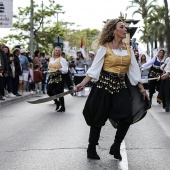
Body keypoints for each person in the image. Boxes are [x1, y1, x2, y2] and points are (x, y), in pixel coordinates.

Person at [76, 19, 150, 161]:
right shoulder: (105, 47)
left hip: (120, 86)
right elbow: (94, 69)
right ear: (114, 30)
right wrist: (82, 83)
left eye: (125, 27)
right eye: (121, 27)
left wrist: (141, 89)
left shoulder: (128, 48)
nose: (125, 30)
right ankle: (91, 148)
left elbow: (133, 71)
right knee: (98, 118)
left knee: (127, 116)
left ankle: (115, 146)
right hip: (104, 86)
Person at [47, 46, 68, 112]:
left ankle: (63, 107)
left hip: (59, 76)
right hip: (51, 76)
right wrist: (47, 71)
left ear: (60, 52)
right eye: (56, 50)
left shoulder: (62, 59)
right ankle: (57, 102)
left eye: (58, 51)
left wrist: (59, 69)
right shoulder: (51, 59)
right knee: (49, 91)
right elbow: (49, 68)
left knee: (59, 92)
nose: (57, 52)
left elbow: (66, 70)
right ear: (54, 51)